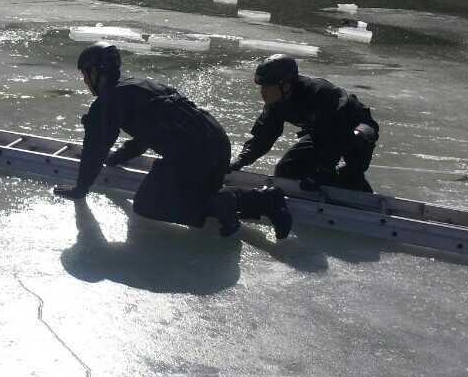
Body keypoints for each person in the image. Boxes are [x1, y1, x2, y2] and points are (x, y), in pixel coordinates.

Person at [53, 42, 292, 239]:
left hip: (193, 155)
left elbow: (94, 150)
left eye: (86, 74)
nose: (85, 81)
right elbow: (146, 135)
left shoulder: (108, 102)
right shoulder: (137, 86)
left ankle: (222, 205)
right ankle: (266, 201)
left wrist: (81, 188)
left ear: (98, 72)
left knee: (148, 204)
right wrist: (119, 157)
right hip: (217, 145)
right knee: (198, 193)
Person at [229, 54, 379, 192]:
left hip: (356, 128)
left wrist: (323, 170)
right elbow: (264, 135)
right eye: (262, 86)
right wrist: (241, 160)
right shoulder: (276, 102)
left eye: (268, 87)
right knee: (286, 169)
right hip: (322, 132)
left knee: (348, 173)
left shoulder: (320, 92)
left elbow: (336, 135)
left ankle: (357, 190)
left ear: (286, 85)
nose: (263, 92)